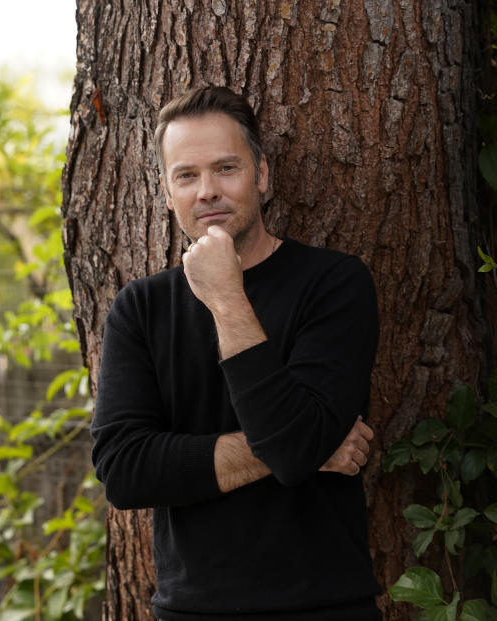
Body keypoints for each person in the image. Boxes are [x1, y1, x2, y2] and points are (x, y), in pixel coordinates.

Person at [90, 86, 383, 620]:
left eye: (226, 168)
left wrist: (225, 297)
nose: (207, 191)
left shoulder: (335, 284)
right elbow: (125, 471)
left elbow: (293, 449)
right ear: (167, 190)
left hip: (323, 607)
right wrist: (300, 446)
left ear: (262, 175)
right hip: (191, 611)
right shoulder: (140, 308)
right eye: (187, 175)